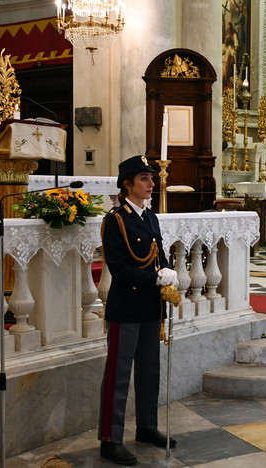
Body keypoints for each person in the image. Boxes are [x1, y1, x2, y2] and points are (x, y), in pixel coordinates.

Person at [98, 155, 178, 465]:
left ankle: (147, 427)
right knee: (118, 375)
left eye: (152, 178)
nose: (151, 184)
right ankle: (110, 438)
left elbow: (157, 253)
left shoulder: (150, 217)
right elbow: (119, 268)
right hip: (126, 306)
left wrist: (168, 271)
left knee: (149, 371)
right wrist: (154, 277)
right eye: (144, 179)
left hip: (150, 306)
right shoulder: (115, 220)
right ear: (127, 184)